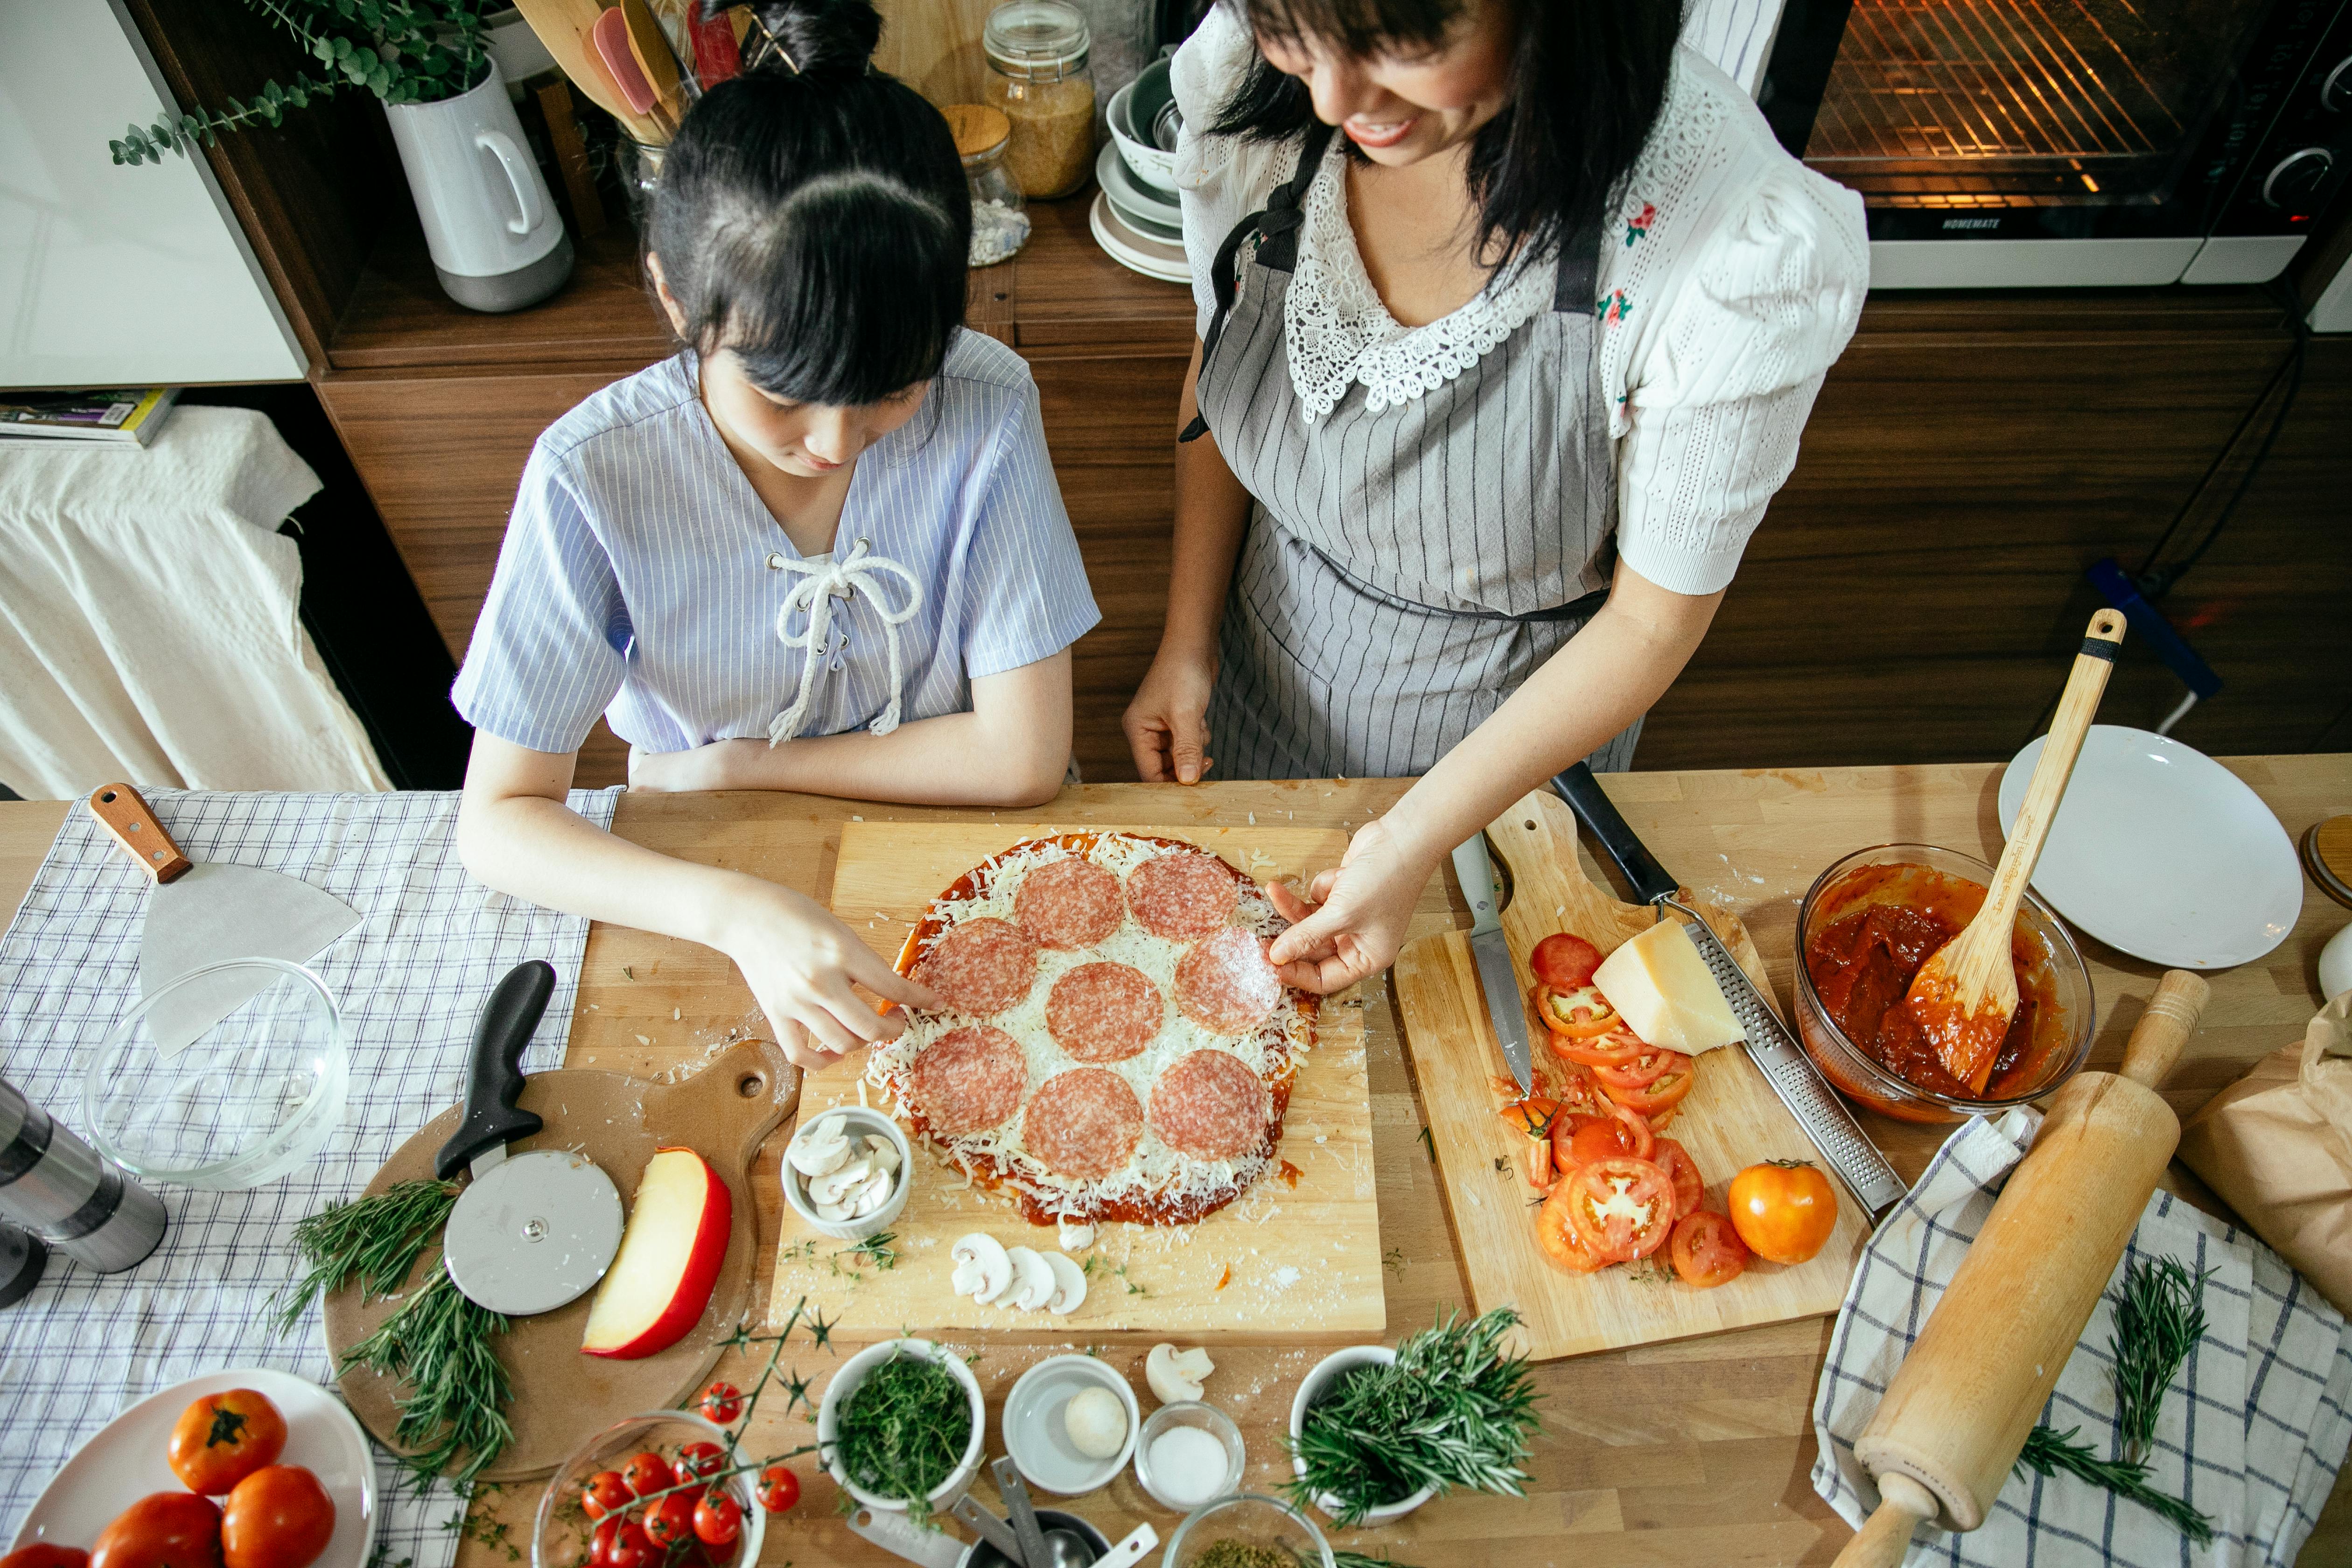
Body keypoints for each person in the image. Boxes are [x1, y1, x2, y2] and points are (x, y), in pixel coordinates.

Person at [1121, 0, 1865, 993]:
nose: (1336, 99)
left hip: (1506, 775)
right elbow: (1224, 360)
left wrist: (1417, 835)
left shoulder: (1724, 246)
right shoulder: (1261, 94)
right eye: (1295, 32)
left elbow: (1651, 625)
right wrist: (1188, 638)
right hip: (1265, 666)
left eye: (1404, 45)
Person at [453, 0, 1099, 1068]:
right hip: (705, 884)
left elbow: (1025, 757)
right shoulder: (593, 474)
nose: (835, 444)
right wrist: (739, 911)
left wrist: (740, 764)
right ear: (673, 295)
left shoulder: (987, 402)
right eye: (785, 392)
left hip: (958, 845)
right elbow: (500, 821)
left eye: (893, 390)